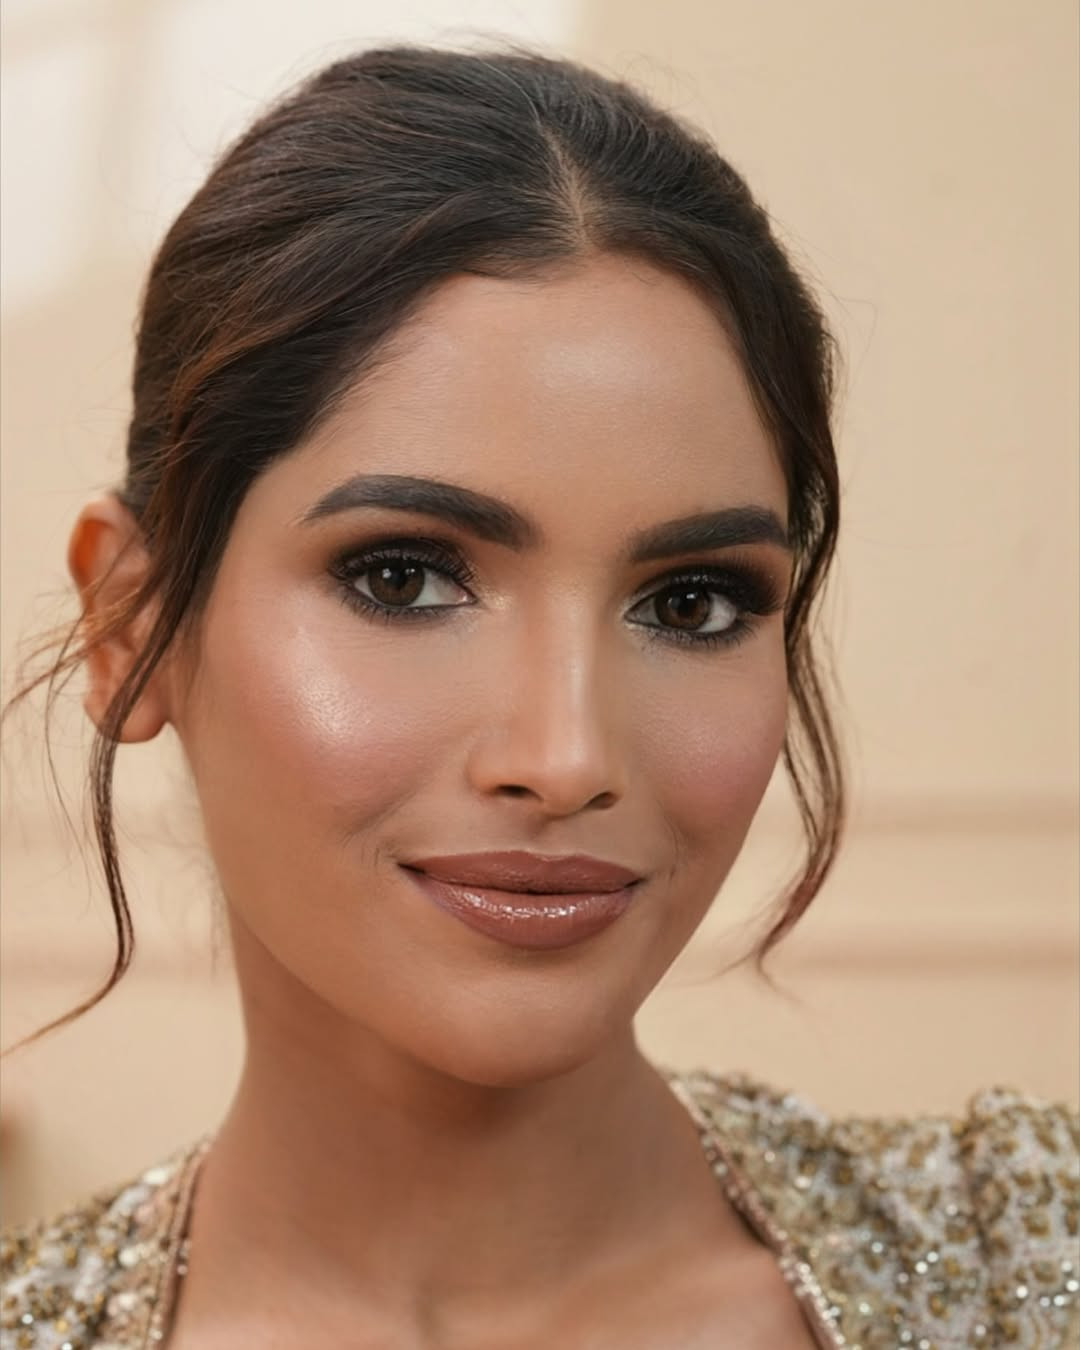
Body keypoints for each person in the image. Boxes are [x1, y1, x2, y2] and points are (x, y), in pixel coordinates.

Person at [1, 44, 1076, 1350]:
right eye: (402, 578)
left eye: (691, 603)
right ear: (130, 623)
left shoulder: (1029, 1255)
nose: (567, 757)